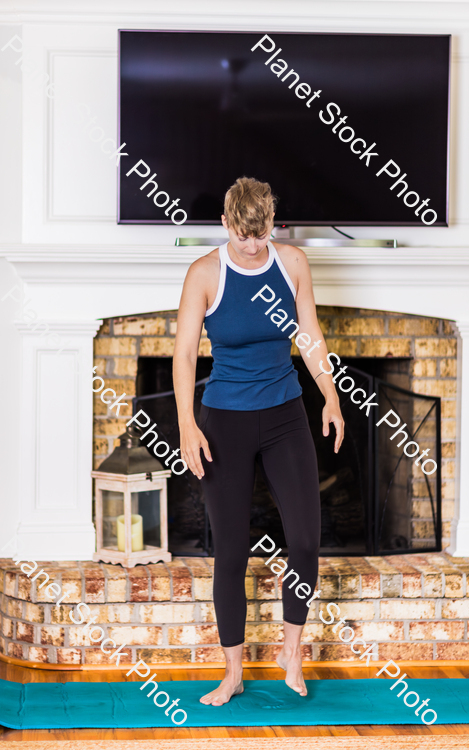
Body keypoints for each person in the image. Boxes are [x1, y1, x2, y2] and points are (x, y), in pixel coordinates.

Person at [173, 177, 344, 707]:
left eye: (261, 233)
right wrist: (185, 424)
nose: (252, 246)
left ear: (273, 223)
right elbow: (182, 355)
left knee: (307, 539)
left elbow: (309, 337)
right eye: (243, 235)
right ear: (226, 225)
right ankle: (233, 673)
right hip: (223, 420)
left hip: (285, 414)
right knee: (230, 551)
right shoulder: (203, 273)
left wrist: (331, 396)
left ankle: (292, 652)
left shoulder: (291, 264)